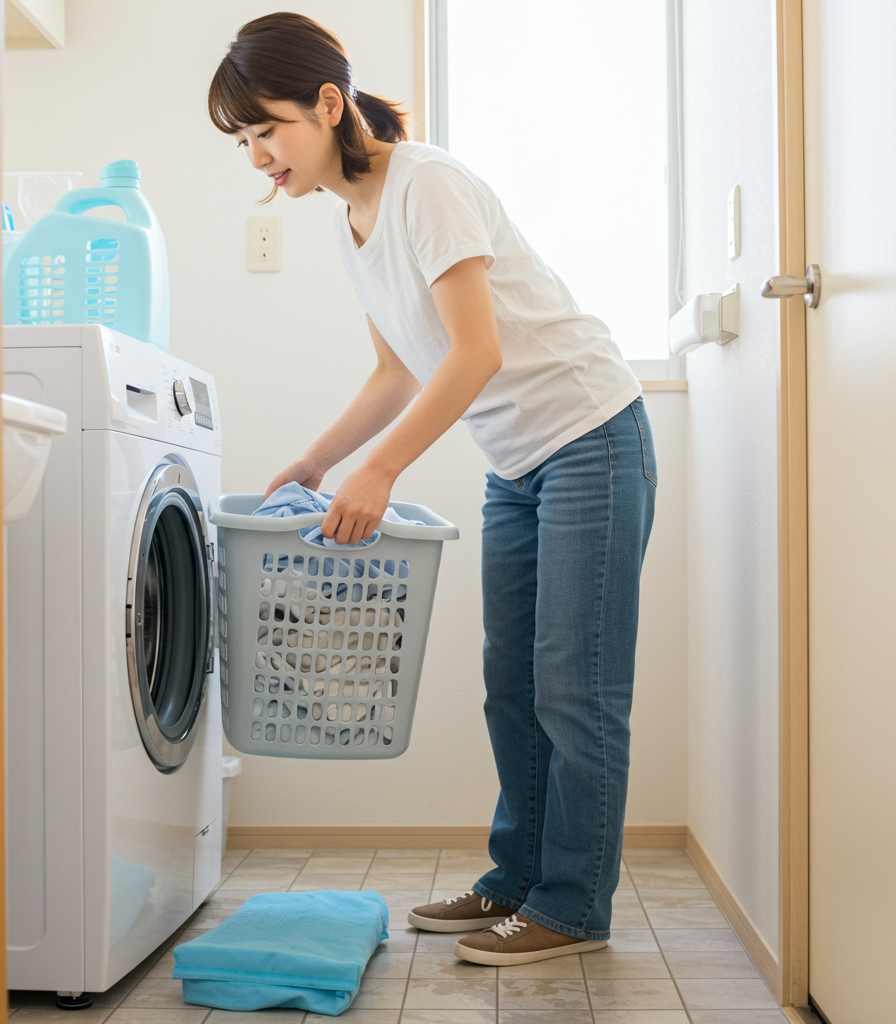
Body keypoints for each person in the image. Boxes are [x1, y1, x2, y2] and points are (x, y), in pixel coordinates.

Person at [208, 12, 657, 966]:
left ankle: (572, 906)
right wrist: (317, 462)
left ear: (329, 105)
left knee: (575, 690)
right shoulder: (351, 223)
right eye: (242, 140)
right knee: (510, 688)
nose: (256, 158)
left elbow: (476, 351)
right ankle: (515, 881)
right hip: (518, 462)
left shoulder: (428, 185)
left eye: (267, 131)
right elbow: (396, 373)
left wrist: (383, 469)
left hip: (590, 439)